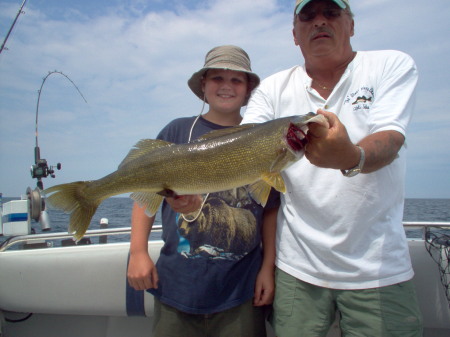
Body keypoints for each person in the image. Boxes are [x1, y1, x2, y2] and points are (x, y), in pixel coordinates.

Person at [241, 0, 423, 336]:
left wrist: (351, 157)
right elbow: (245, 145)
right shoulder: (272, 88)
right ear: (295, 34)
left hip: (377, 269)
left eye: (331, 13)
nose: (319, 22)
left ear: (351, 25)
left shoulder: (390, 64)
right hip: (297, 267)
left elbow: (391, 138)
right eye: (307, 17)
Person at [127, 45, 280, 337]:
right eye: (217, 78)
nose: (226, 86)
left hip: (240, 291)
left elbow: (270, 208)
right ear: (203, 85)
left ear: (248, 89)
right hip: (176, 288)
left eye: (237, 80)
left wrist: (267, 268)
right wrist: (138, 252)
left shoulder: (263, 138)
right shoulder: (177, 132)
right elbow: (143, 195)